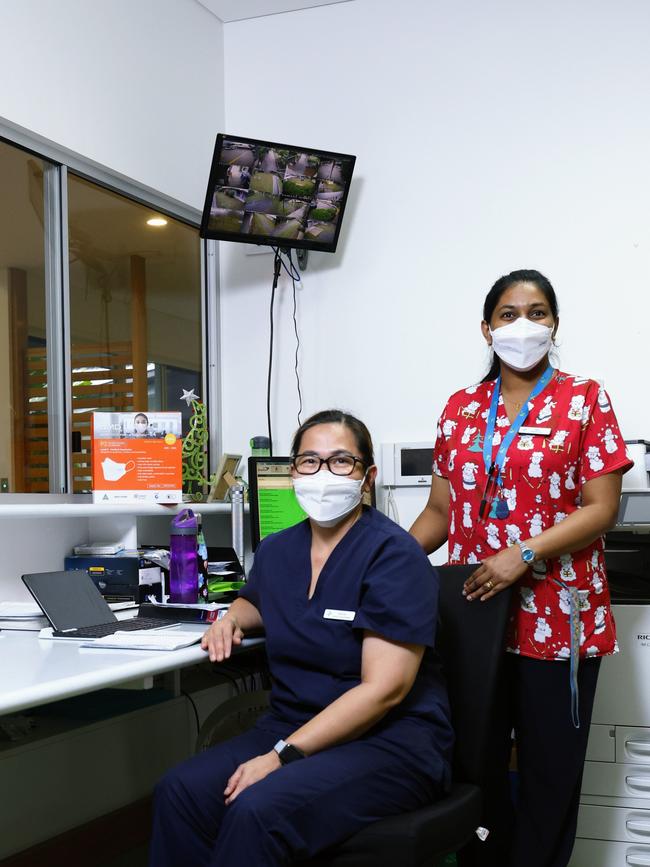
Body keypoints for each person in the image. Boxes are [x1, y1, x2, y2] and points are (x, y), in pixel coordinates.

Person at [150, 409, 453, 867]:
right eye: (309, 461)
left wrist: (281, 757)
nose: (323, 473)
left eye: (340, 462)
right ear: (293, 473)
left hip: (388, 744)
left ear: (367, 476)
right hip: (289, 726)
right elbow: (259, 600)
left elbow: (384, 690)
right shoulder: (278, 550)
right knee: (181, 791)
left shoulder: (395, 556)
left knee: (257, 809)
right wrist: (231, 619)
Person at [410, 269, 632, 867]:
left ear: (554, 324)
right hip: (473, 621)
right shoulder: (460, 409)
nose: (523, 325)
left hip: (557, 620)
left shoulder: (585, 398)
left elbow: (603, 508)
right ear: (486, 329)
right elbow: (440, 511)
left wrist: (525, 553)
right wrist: (388, 562)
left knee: (549, 775)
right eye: (508, 314)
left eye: (537, 312)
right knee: (474, 770)